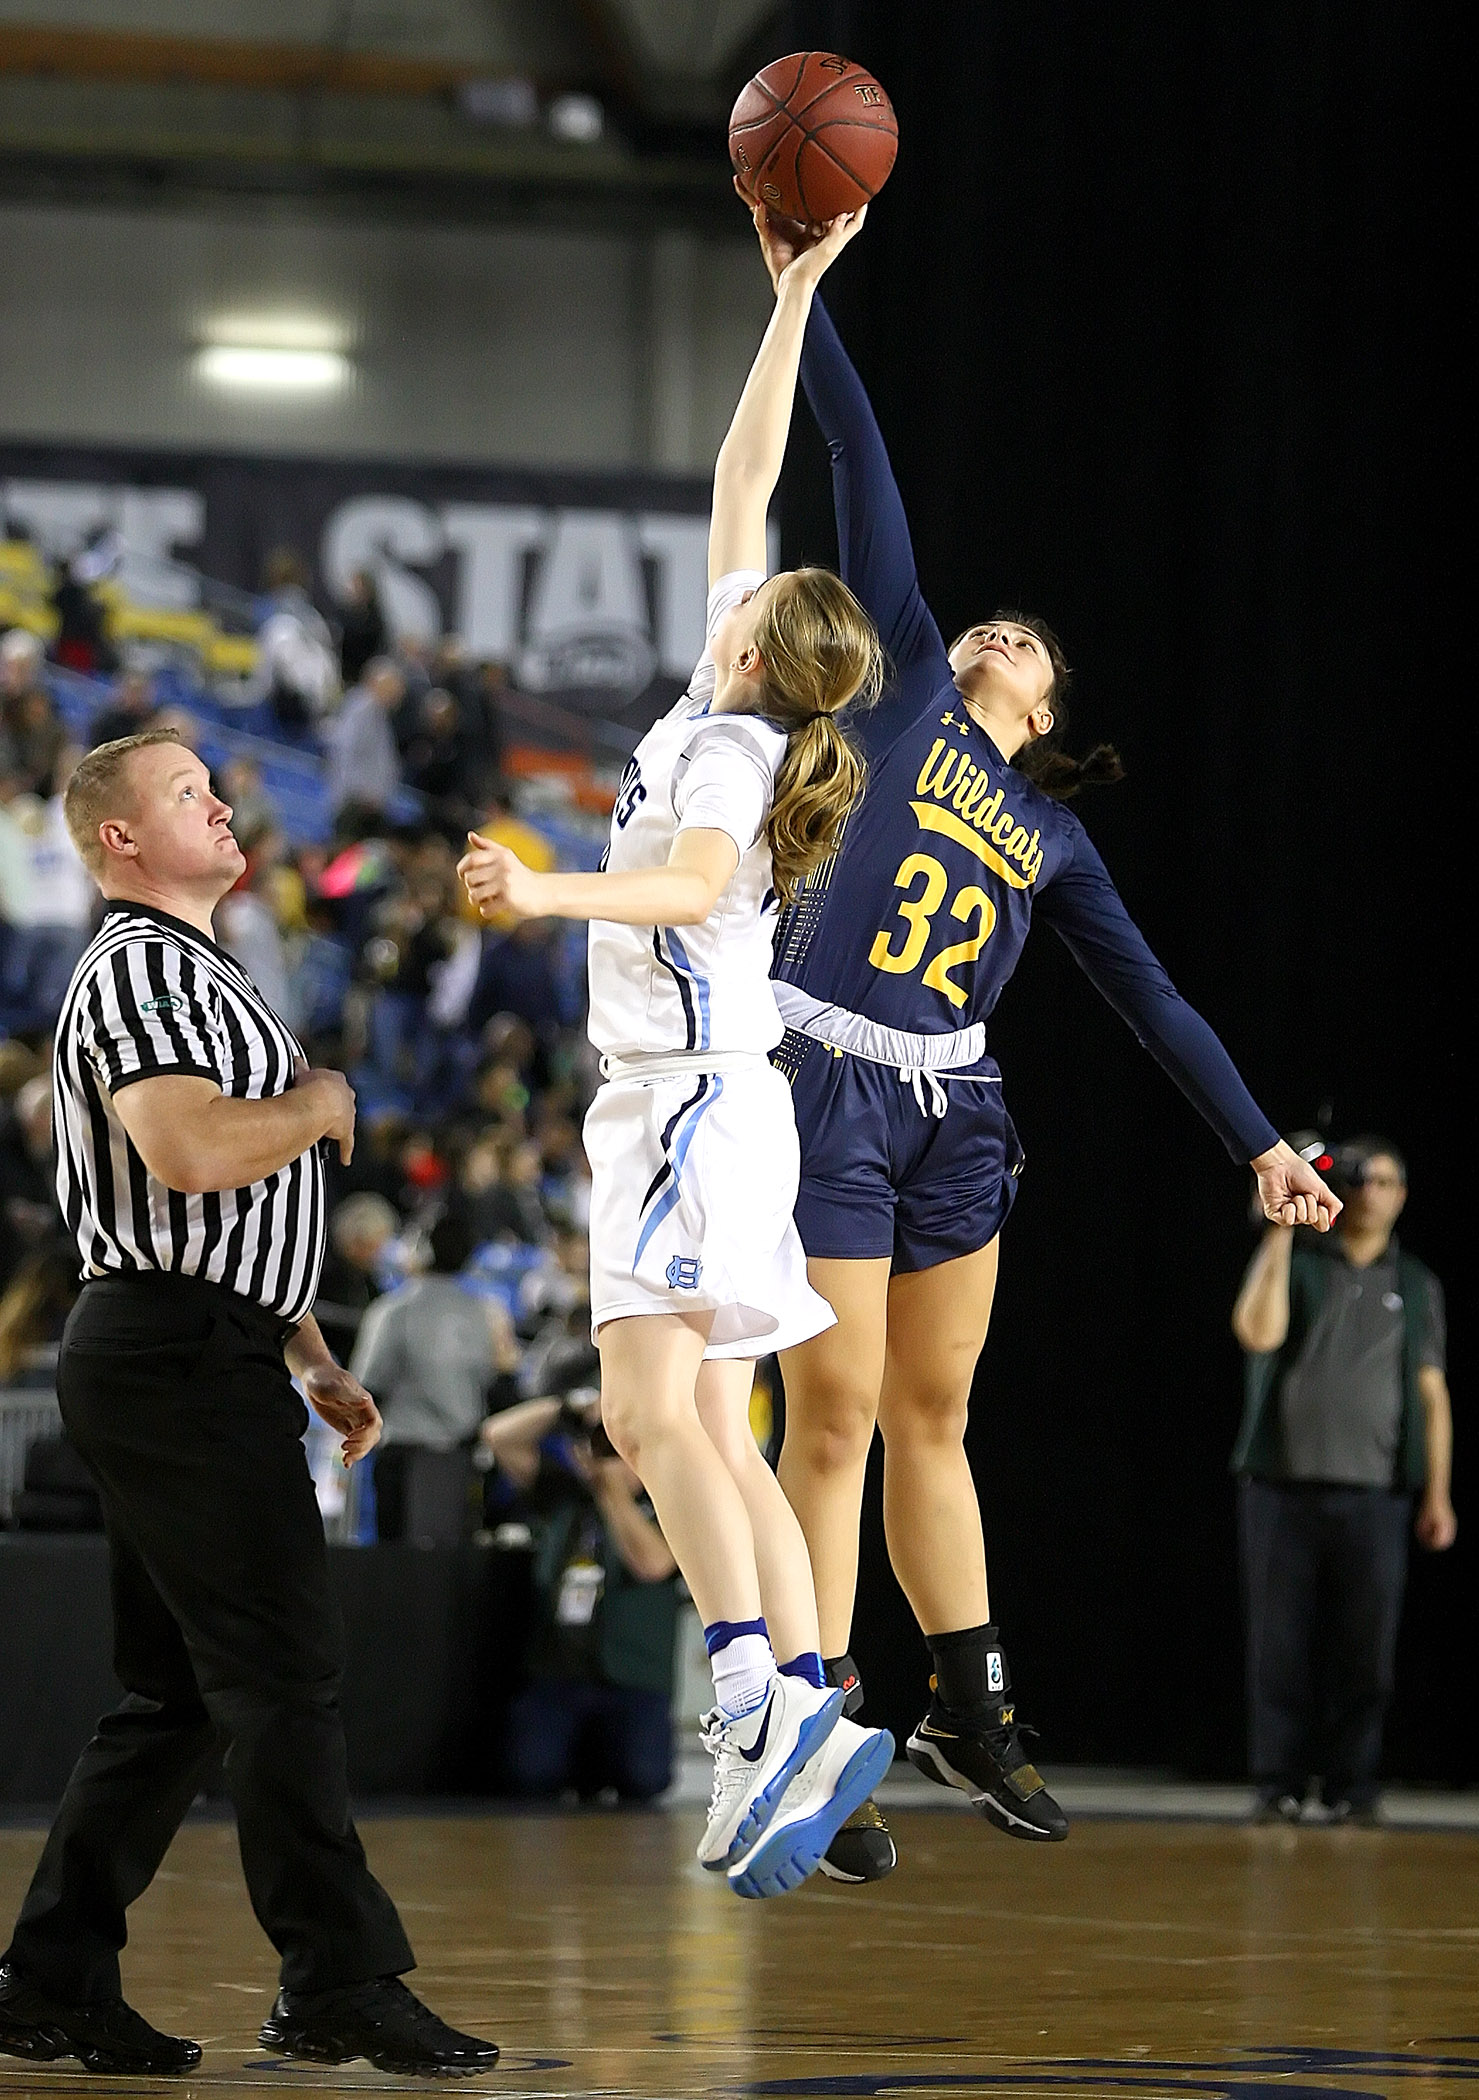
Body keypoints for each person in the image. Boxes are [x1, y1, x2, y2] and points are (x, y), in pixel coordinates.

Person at [739, 201, 1340, 1880]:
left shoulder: (1054, 843)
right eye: (991, 624)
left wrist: (1260, 1146)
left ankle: (968, 1706)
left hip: (953, 1110)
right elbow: (856, 453)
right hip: (823, 1072)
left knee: (933, 1413)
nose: (1004, 631)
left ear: (1049, 705)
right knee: (834, 1409)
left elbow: (1148, 1003)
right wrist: (800, 288)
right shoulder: (904, 681)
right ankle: (811, 1720)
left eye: (1034, 643)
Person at [458, 206, 894, 1902]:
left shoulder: (724, 750)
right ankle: (805, 1700)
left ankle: (747, 1707)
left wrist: (544, 884)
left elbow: (699, 882)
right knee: (710, 1420)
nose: (739, 571)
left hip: (687, 1110)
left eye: (755, 592)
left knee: (652, 1411)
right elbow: (744, 473)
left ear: (755, 649)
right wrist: (789, 295)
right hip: (723, 1114)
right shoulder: (726, 701)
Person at [0, 728, 498, 2078]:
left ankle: (48, 1978)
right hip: (170, 1355)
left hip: (193, 1346)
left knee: (178, 1697)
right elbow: (188, 1146)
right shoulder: (144, 965)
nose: (221, 806)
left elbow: (216, 1202)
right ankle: (335, 1980)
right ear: (116, 840)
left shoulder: (198, 963)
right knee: (281, 1676)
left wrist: (308, 1350)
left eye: (215, 789)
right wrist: (324, 1104)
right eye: (185, 795)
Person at [1230, 1137, 1455, 1822]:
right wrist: (1275, 1235)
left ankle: (1353, 1787)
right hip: (1282, 1487)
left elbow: (1431, 1392)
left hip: (1375, 1493)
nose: (1367, 1191)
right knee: (1278, 1647)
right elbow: (1256, 1333)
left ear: (1401, 1195)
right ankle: (1279, 1784)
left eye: (1382, 1179)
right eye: (1354, 1178)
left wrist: (1436, 1491)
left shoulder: (1412, 1282)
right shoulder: (1301, 1263)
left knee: (1365, 1651)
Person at [482, 1391, 680, 1802]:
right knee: (528, 1774)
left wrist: (613, 1491)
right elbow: (498, 1437)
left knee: (644, 1779)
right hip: (558, 1672)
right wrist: (568, 1407)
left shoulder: (670, 1503)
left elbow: (652, 1564)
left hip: (632, 1678)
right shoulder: (563, 1492)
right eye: (600, 1441)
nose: (607, 1455)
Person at [350, 1212, 505, 1543]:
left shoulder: (395, 1309)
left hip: (404, 1458)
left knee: (401, 1571)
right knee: (446, 1569)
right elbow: (488, 1377)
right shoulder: (482, 1312)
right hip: (459, 1460)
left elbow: (366, 1386)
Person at [325, 657, 405, 823]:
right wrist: (361, 792)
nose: (397, 693)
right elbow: (347, 752)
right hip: (356, 801)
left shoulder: (378, 713)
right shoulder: (362, 709)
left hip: (369, 802)